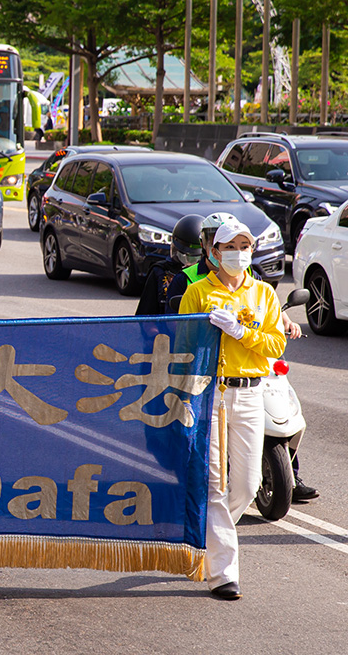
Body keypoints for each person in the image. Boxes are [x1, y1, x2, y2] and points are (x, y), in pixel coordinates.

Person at [180, 217, 285, 601]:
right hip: (212, 392)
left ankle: (210, 536)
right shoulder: (198, 292)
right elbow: (183, 343)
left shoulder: (264, 294)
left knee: (246, 484)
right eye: (229, 247)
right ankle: (223, 572)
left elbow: (276, 346)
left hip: (251, 393)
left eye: (244, 247)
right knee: (214, 483)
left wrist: (242, 333)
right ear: (214, 252)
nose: (237, 253)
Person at [135, 214, 204, 316]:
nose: (189, 263)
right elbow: (145, 315)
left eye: (195, 258)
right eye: (185, 256)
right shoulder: (160, 271)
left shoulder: (211, 274)